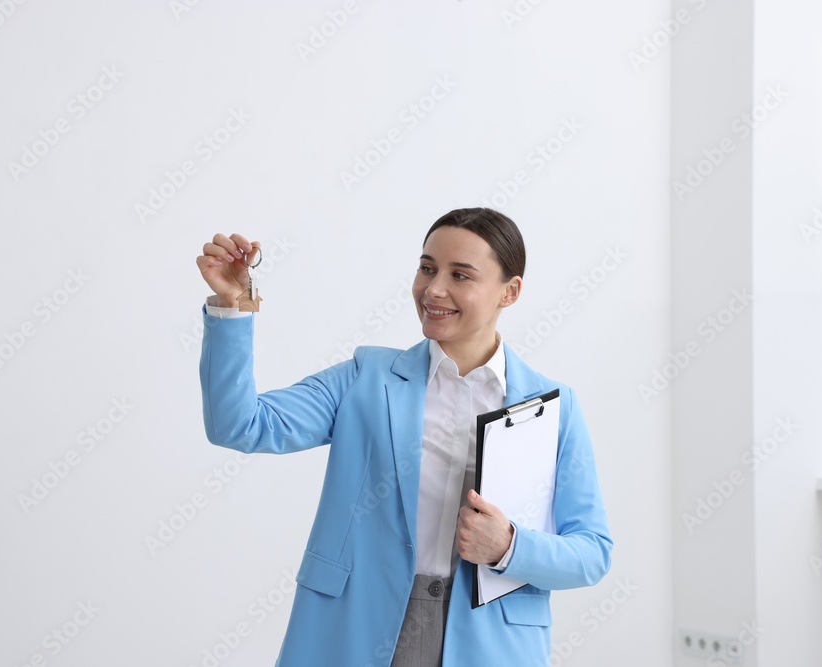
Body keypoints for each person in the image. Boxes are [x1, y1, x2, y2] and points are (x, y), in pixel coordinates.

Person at [196, 208, 613, 666]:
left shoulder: (551, 407)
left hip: (490, 642)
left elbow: (591, 552)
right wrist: (232, 306)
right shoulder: (365, 377)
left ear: (509, 292)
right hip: (357, 626)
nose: (433, 289)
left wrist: (509, 546)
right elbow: (241, 424)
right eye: (427, 268)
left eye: (460, 275)